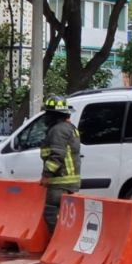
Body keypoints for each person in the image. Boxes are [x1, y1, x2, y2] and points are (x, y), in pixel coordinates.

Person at [39, 95, 80, 232]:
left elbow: (57, 156)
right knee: (64, 217)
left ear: (54, 115)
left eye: (48, 113)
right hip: (69, 181)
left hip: (60, 182)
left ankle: (56, 243)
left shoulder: (58, 130)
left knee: (51, 214)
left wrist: (46, 175)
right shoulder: (70, 128)